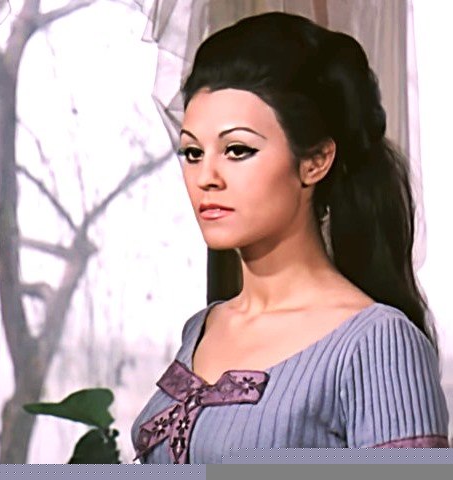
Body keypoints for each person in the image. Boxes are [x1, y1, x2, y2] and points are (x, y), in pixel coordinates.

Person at [130, 12, 450, 463]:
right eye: (193, 152)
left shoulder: (377, 341)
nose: (206, 177)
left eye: (237, 150)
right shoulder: (202, 329)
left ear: (315, 160)